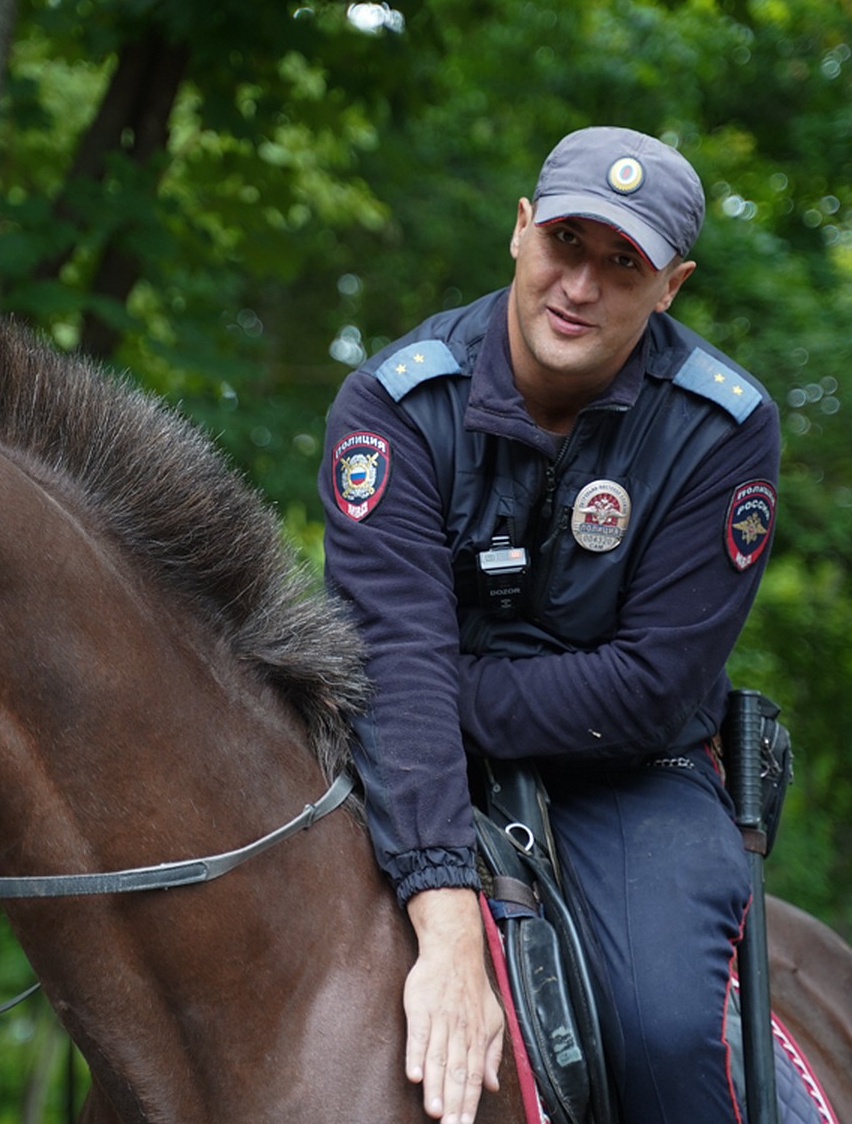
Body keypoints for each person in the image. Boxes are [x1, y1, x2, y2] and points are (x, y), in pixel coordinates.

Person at [319, 126, 780, 1124]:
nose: (581, 284)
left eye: (625, 263)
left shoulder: (723, 430)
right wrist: (448, 935)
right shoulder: (395, 406)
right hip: (403, 760)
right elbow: (393, 655)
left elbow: (648, 685)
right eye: (567, 241)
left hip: (633, 776)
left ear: (673, 287)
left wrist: (441, 693)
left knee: (661, 1031)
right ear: (520, 232)